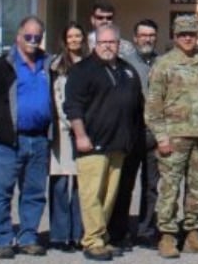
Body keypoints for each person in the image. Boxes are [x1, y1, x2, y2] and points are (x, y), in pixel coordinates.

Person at [63, 23, 145, 261]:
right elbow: (73, 107)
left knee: (109, 197)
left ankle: (102, 237)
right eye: (103, 42)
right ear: (94, 44)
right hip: (93, 144)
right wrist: (80, 135)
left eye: (112, 42)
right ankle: (92, 241)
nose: (108, 46)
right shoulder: (82, 71)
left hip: (118, 145)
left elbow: (136, 105)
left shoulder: (127, 70)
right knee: (92, 196)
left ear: (119, 44)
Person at [0, 15, 54, 259]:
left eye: (37, 37)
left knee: (34, 192)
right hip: (8, 142)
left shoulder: (48, 64)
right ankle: (2, 239)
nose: (33, 41)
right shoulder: (1, 67)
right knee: (2, 192)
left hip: (39, 139)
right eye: (29, 36)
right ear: (18, 37)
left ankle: (28, 237)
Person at [147, 15, 198, 259]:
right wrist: (161, 137)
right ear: (175, 37)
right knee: (169, 189)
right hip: (174, 137)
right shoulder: (164, 64)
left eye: (191, 34)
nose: (188, 38)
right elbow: (153, 105)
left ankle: (193, 235)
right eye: (182, 34)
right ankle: (167, 236)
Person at [112, 19, 160, 249]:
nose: (147, 39)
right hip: (131, 134)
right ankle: (120, 231)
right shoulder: (124, 64)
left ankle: (146, 229)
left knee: (151, 185)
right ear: (135, 38)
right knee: (125, 184)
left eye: (151, 35)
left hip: (155, 135)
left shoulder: (162, 63)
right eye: (143, 35)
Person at [49, 23, 89, 253]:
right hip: (63, 132)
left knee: (80, 187)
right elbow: (57, 97)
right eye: (70, 36)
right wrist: (70, 123)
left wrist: (82, 126)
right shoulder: (57, 65)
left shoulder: (89, 64)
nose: (74, 40)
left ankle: (78, 233)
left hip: (84, 131)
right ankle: (58, 234)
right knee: (60, 184)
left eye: (78, 35)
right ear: (64, 40)